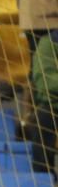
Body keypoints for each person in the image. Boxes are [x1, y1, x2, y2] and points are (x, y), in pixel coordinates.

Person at [30, 30, 58, 178]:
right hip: (54, 106)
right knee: (44, 119)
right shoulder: (49, 43)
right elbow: (46, 84)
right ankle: (44, 179)